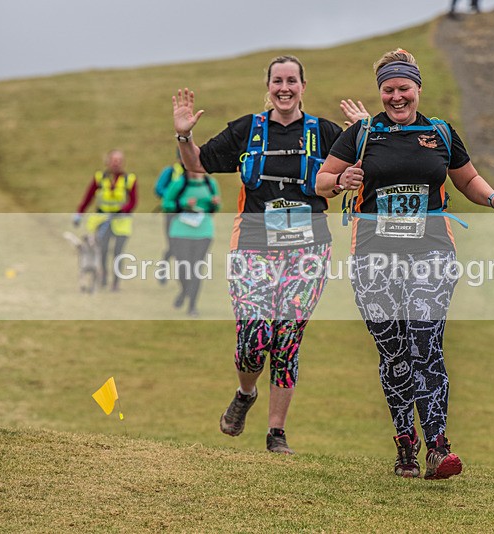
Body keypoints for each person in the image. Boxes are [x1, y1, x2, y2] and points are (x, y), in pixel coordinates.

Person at [316, 49, 494, 480]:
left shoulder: (440, 133)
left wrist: (493, 196)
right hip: (374, 257)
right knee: (394, 353)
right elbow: (322, 181)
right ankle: (406, 440)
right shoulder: (362, 134)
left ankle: (438, 446)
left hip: (431, 254)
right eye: (388, 89)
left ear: (418, 89)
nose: (396, 96)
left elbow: (467, 180)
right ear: (380, 92)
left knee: (425, 343)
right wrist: (341, 180)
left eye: (404, 88)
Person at [171, 55, 367, 454]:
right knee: (254, 335)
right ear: (268, 86)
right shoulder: (247, 130)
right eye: (277, 81)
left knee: (287, 335)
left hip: (309, 248)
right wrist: (184, 136)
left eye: (291, 81)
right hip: (253, 246)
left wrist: (364, 135)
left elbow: (364, 169)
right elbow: (197, 166)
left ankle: (276, 432)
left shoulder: (326, 132)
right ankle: (245, 394)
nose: (284, 88)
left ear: (303, 86)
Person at [73, 149, 137, 291]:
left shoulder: (129, 179)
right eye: (113, 161)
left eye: (119, 161)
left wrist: (123, 210)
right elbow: (88, 197)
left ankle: (116, 282)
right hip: (102, 220)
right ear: (107, 162)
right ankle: (103, 277)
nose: (116, 164)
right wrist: (79, 213)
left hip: (121, 222)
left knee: (118, 253)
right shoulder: (100, 178)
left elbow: (133, 201)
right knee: (102, 250)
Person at [161, 169, 221, 317]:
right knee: (183, 267)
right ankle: (184, 291)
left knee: (196, 269)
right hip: (180, 230)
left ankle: (192, 306)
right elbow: (166, 203)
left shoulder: (210, 183)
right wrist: (183, 203)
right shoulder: (179, 183)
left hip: (203, 231)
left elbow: (216, 208)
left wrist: (214, 203)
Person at [154, 149, 187, 281]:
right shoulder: (170, 172)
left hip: (190, 216)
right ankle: (164, 268)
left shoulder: (196, 172)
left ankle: (185, 275)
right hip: (172, 214)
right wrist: (173, 196)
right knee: (173, 245)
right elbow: (158, 189)